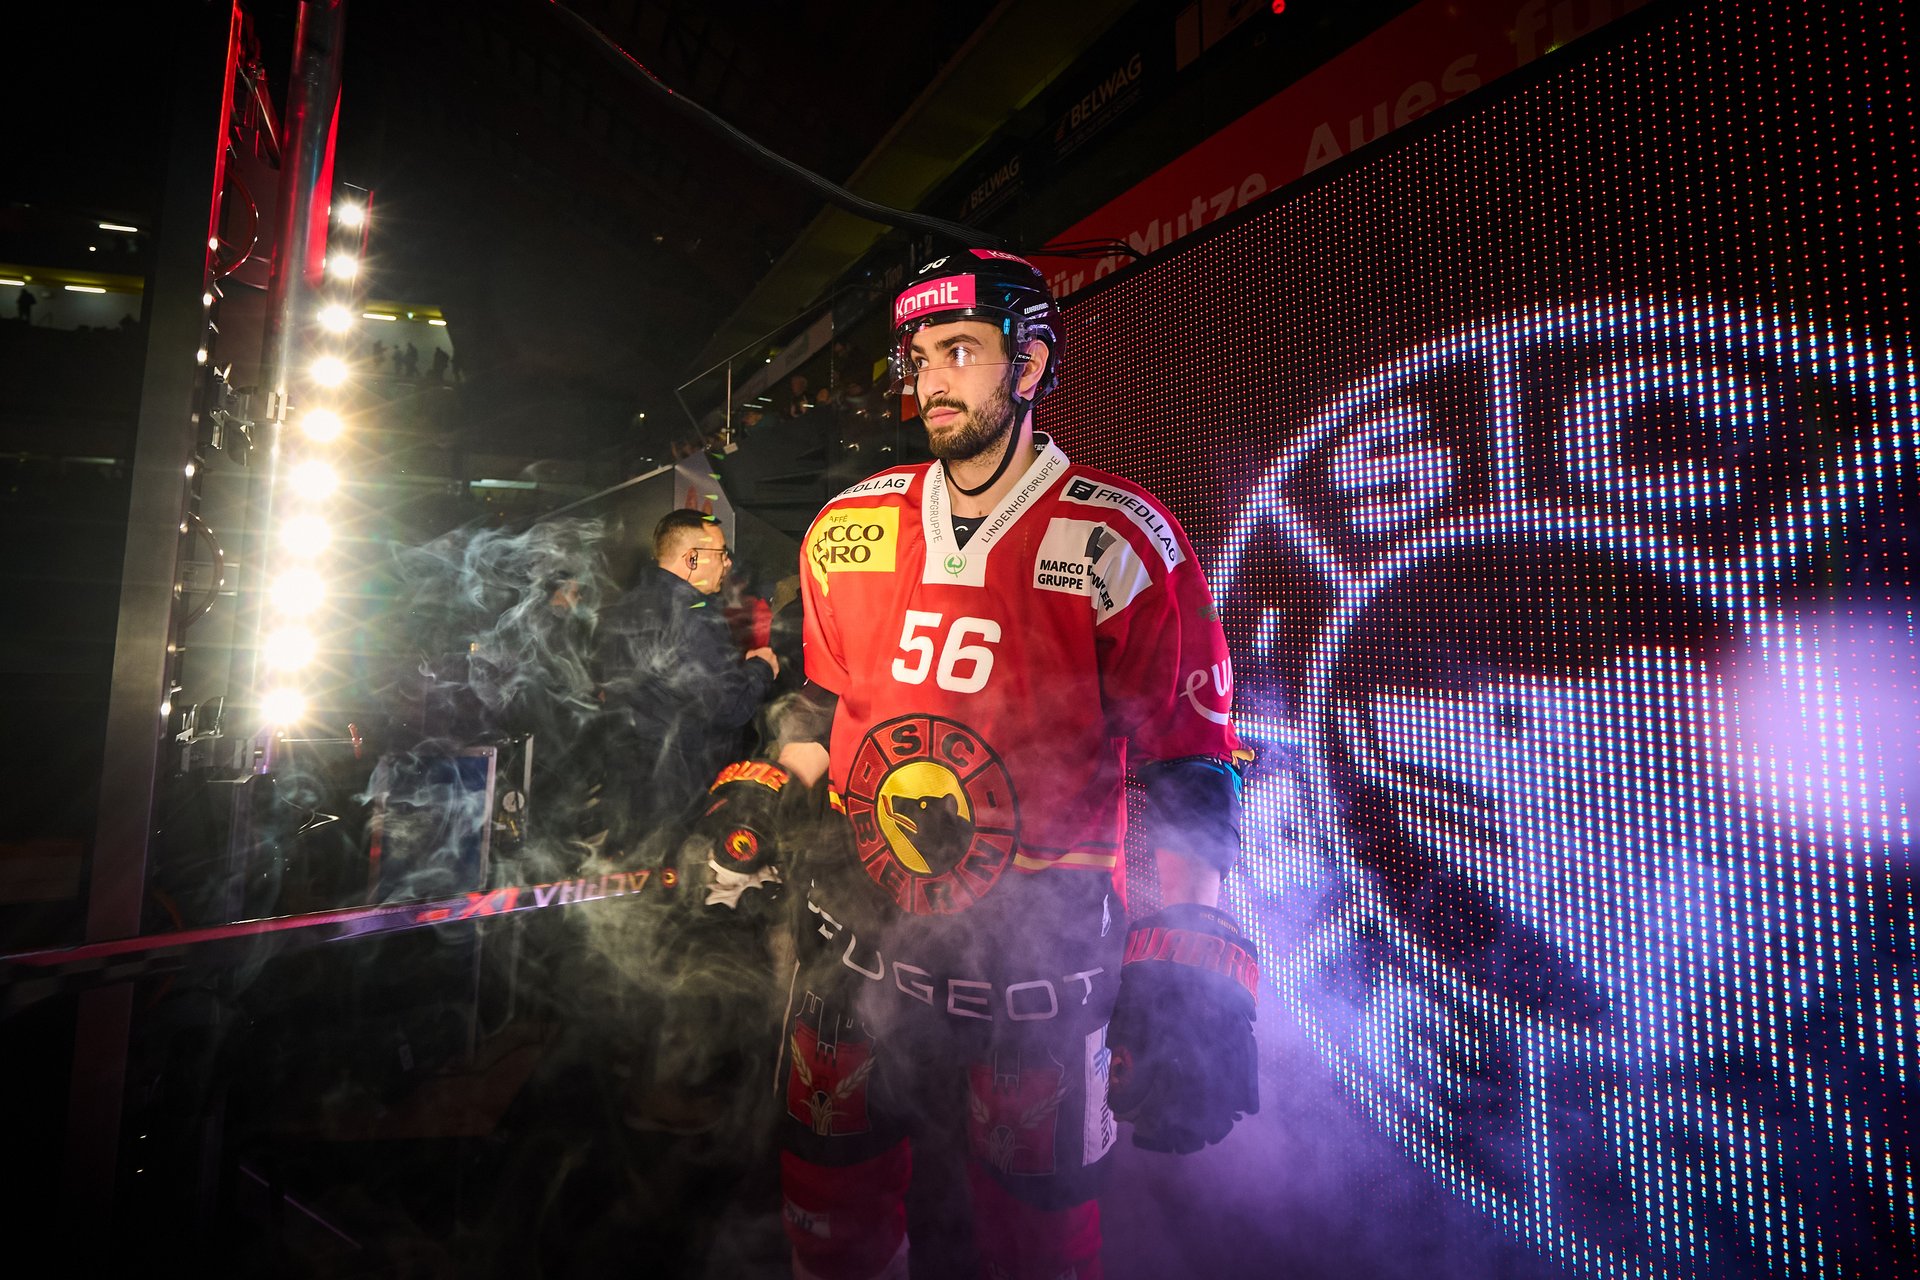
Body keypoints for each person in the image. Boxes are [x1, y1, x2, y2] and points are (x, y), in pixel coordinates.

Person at [713, 251, 1259, 1279]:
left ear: (1031, 362)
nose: (932, 379)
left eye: (960, 351)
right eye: (919, 357)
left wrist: (1187, 951)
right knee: (828, 1204)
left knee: (1036, 1236)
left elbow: (1188, 763)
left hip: (1038, 954)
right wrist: (758, 798)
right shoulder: (848, 528)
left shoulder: (1117, 538)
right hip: (859, 936)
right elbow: (821, 704)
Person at [593, 509, 781, 851]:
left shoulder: (625, 605)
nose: (727, 563)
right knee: (678, 873)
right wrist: (761, 668)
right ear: (692, 558)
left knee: (635, 869)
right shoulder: (694, 616)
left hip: (628, 777)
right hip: (683, 786)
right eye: (721, 553)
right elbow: (728, 706)